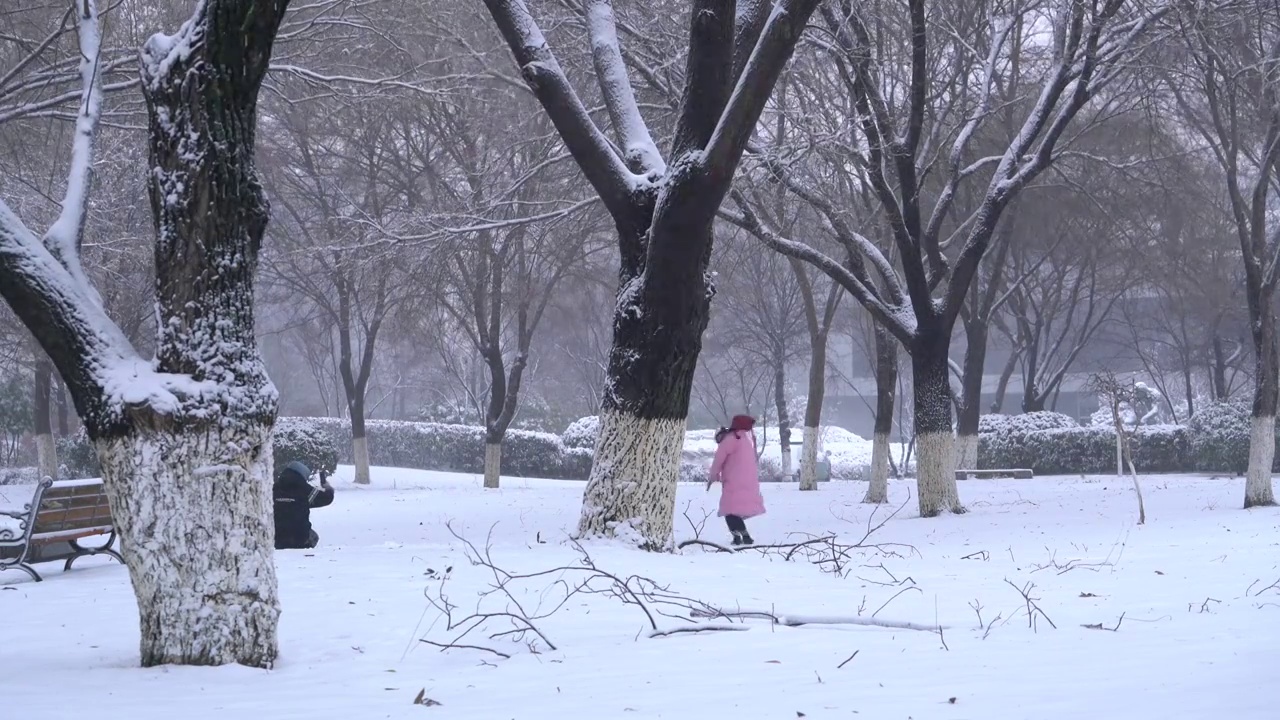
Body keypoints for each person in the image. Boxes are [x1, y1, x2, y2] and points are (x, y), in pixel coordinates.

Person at [706, 414, 765, 546]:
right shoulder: (746, 439)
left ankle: (741, 536)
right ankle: (742, 537)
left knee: (729, 510)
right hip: (749, 482)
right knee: (734, 511)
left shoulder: (731, 439)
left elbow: (718, 460)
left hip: (733, 482)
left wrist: (713, 476)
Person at [273, 461, 334, 550]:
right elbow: (327, 498)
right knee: (314, 537)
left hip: (276, 537)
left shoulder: (274, 488)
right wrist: (327, 487)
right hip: (299, 538)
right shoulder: (305, 490)